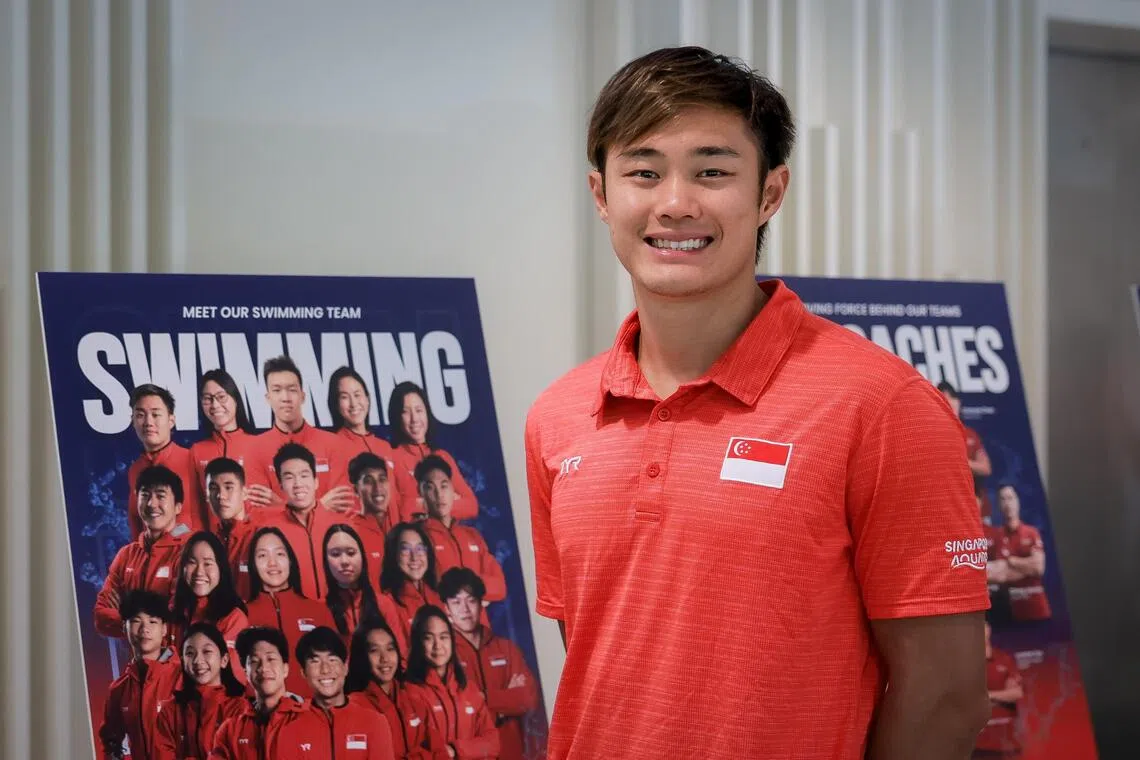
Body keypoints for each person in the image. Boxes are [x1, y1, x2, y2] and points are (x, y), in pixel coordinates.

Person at [524, 46, 989, 759]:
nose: (675, 203)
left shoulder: (882, 406)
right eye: (644, 172)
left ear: (770, 193)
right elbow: (599, 654)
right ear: (601, 195)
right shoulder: (557, 417)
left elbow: (946, 697)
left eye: (712, 171)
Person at [439, 569, 538, 760]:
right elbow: (457, 713)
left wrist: (484, 698)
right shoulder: (444, 655)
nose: (465, 609)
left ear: (481, 603)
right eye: (456, 602)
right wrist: (505, 704)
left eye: (471, 600)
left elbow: (528, 698)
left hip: (512, 753)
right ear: (446, 608)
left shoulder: (506, 648)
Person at [244, 355, 353, 512]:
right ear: (268, 398)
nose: (285, 398)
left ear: (302, 396)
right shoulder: (255, 449)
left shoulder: (333, 444)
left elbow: (342, 507)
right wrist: (321, 506)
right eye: (277, 390)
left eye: (292, 390)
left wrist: (280, 506)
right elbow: (259, 513)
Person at [95, 466, 191, 637]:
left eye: (160, 496)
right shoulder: (126, 555)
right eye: (145, 495)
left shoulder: (191, 550)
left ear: (178, 506)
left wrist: (128, 618)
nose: (152, 504)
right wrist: (141, 626)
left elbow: (182, 618)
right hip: (135, 654)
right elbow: (101, 617)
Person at [244, 526, 336, 698]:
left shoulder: (318, 611)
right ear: (253, 565)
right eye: (262, 555)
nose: (272, 563)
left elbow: (335, 667)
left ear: (290, 560)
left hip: (312, 709)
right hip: (261, 711)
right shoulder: (242, 615)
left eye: (280, 554)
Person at [282, 626, 397, 760]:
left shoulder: (375, 723)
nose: (325, 670)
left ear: (345, 668)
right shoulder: (291, 729)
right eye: (315, 662)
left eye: (332, 660)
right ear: (303, 673)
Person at [209, 627, 323, 759]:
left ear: (285, 669)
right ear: (246, 673)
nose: (263, 668)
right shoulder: (230, 730)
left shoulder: (315, 721)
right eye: (254, 661)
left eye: (271, 659)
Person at [403, 605, 499, 759]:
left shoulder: (468, 688)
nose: (437, 645)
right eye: (428, 638)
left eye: (443, 637)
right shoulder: (408, 692)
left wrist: (455, 750)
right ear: (417, 642)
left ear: (452, 640)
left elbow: (493, 744)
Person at [345, 619, 449, 759]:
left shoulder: (413, 699)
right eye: (374, 651)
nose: (385, 659)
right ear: (361, 656)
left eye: (390, 649)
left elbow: (439, 751)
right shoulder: (355, 708)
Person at [98, 590, 183, 760]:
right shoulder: (119, 689)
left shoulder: (183, 677)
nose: (145, 629)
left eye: (153, 622)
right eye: (136, 621)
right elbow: (111, 742)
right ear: (125, 627)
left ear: (164, 629)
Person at [329, 365, 417, 518]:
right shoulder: (333, 446)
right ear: (336, 405)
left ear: (367, 399)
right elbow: (339, 504)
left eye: (357, 395)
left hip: (394, 530)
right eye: (344, 397)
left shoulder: (384, 447)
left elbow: (407, 494)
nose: (353, 403)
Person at [417, 456, 506, 604]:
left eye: (444, 486)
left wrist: (467, 585)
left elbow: (500, 587)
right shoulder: (418, 537)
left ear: (453, 491)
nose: (439, 494)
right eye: (430, 487)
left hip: (479, 618)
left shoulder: (472, 535)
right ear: (421, 493)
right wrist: (478, 589)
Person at [154, 622, 248, 760]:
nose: (198, 660)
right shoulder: (169, 712)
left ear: (224, 660)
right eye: (190, 653)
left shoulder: (240, 710)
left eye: (207, 652)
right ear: (182, 661)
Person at [262, 442, 343, 600]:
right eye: (289, 477)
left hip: (338, 609)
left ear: (316, 481)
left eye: (304, 476)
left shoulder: (340, 526)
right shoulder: (270, 532)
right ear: (280, 485)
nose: (298, 484)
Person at [190, 369, 275, 516]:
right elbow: (194, 509)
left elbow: (283, 500)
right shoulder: (197, 451)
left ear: (235, 399)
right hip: (214, 531)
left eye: (221, 397)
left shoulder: (261, 445)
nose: (215, 405)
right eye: (207, 399)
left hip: (258, 529)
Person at [387, 382, 476, 521]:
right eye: (406, 412)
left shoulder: (443, 456)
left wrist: (421, 503)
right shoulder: (391, 458)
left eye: (419, 410)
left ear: (427, 412)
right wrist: (448, 501)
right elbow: (405, 510)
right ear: (396, 417)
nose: (414, 419)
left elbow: (471, 506)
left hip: (446, 533)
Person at [169, 532, 251, 681]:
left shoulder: (233, 618)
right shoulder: (174, 611)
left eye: (207, 564)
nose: (199, 572)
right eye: (192, 562)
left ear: (221, 568)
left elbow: (223, 675)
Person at [127, 383, 205, 538]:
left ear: (171, 420)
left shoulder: (193, 460)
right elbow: (135, 520)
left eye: (156, 415)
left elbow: (207, 519)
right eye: (140, 415)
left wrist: (168, 540)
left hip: (190, 548)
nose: (148, 422)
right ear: (133, 421)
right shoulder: (135, 469)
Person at [378, 523, 442, 658]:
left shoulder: (439, 597)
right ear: (394, 555)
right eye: (405, 549)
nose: (414, 557)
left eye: (420, 549)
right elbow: (400, 657)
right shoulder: (387, 603)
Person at [204, 457, 264, 600]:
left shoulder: (261, 538)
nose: (220, 496)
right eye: (213, 488)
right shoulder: (210, 542)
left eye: (229, 487)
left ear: (244, 493)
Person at [989, 484, 1051, 622]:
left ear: (1017, 501)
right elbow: (995, 574)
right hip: (1008, 612)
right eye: (1003, 499)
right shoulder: (995, 537)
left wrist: (1011, 561)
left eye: (1010, 498)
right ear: (998, 505)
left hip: (1035, 610)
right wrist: (1026, 566)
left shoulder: (1031, 533)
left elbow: (1038, 568)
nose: (1007, 503)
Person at [938, 381, 994, 524]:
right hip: (948, 510)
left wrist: (958, 462)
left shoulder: (970, 435)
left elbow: (986, 468)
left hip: (977, 510)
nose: (950, 402)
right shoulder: (935, 436)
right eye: (944, 398)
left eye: (952, 397)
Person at [323, 523, 385, 643]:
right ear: (325, 561)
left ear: (362, 557)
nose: (344, 561)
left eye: (351, 553)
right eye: (335, 554)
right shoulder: (320, 609)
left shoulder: (383, 604)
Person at [973, 622, 1024, 757]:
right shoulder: (963, 664)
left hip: (1006, 739)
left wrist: (987, 695)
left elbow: (1016, 693)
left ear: (989, 630)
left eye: (982, 626)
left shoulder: (1004, 658)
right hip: (977, 743)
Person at [349, 452, 398, 566]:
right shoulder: (351, 533)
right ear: (356, 489)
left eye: (382, 479)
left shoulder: (398, 530)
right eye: (368, 481)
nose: (378, 488)